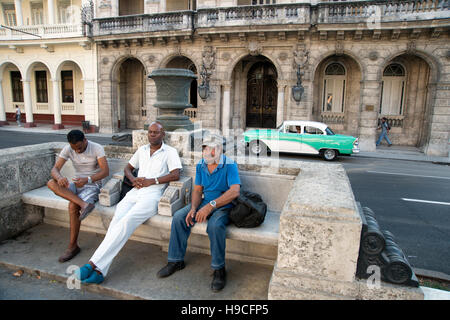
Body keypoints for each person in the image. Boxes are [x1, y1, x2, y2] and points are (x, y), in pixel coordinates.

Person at [76, 122, 182, 284]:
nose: (152, 135)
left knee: (126, 222)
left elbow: (175, 175)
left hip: (153, 194)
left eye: (156, 132)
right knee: (116, 223)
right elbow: (127, 168)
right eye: (150, 132)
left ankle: (92, 263)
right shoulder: (142, 150)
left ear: (163, 134)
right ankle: (100, 271)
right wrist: (133, 179)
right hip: (135, 192)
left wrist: (152, 181)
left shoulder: (170, 152)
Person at [157, 133, 241, 292]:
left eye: (210, 149)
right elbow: (197, 190)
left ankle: (219, 269)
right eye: (204, 148)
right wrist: (194, 208)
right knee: (180, 217)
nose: (206, 152)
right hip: (203, 202)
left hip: (223, 205)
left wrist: (211, 206)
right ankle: (176, 261)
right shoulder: (201, 165)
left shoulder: (230, 165)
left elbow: (235, 191)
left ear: (219, 150)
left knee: (215, 226)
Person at [47, 130, 109, 263]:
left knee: (72, 205)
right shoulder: (69, 149)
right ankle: (84, 205)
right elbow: (54, 169)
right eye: (74, 149)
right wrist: (59, 178)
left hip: (93, 185)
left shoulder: (97, 148)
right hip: (76, 184)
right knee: (51, 183)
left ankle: (72, 246)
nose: (77, 151)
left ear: (85, 140)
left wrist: (87, 179)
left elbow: (105, 171)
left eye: (79, 147)